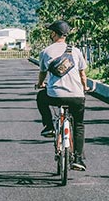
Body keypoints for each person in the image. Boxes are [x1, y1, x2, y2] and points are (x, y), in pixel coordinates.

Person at [35, 20, 89, 171]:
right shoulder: (76, 51)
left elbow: (42, 73)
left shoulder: (46, 52)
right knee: (78, 124)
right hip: (76, 96)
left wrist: (40, 84)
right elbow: (83, 74)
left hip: (54, 95)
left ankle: (49, 126)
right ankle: (78, 159)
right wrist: (85, 87)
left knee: (41, 97)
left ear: (54, 34)